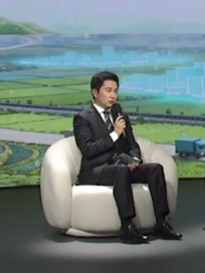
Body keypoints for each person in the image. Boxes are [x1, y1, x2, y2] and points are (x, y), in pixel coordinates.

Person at [73, 70, 182, 244]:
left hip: (122, 166)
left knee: (155, 169)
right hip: (96, 170)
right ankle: (127, 226)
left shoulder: (120, 115)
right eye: (108, 90)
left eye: (115, 91)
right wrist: (114, 134)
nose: (113, 95)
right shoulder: (83, 118)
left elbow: (132, 144)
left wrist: (135, 160)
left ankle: (161, 223)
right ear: (95, 92)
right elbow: (88, 150)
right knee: (121, 171)